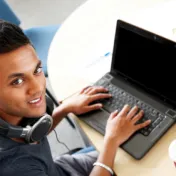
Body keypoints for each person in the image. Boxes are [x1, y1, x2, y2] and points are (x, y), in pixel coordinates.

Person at [0, 19, 151, 176]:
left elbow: (32, 132)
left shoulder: (12, 115)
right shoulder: (15, 167)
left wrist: (66, 108)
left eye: (37, 70)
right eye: (17, 81)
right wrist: (111, 141)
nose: (37, 88)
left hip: (61, 168)